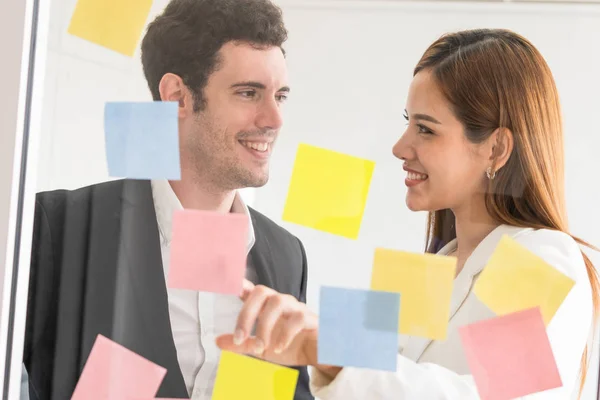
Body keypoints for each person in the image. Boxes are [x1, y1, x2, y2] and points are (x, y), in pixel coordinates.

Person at [216, 29, 600, 399]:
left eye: (426, 130)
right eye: (408, 123)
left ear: (496, 149)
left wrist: (331, 350)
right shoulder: (430, 271)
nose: (401, 147)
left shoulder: (538, 257)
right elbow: (383, 387)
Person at [23, 0, 314, 399]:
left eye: (280, 96)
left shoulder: (286, 255)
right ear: (177, 96)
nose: (274, 119)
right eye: (249, 93)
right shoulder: (58, 227)